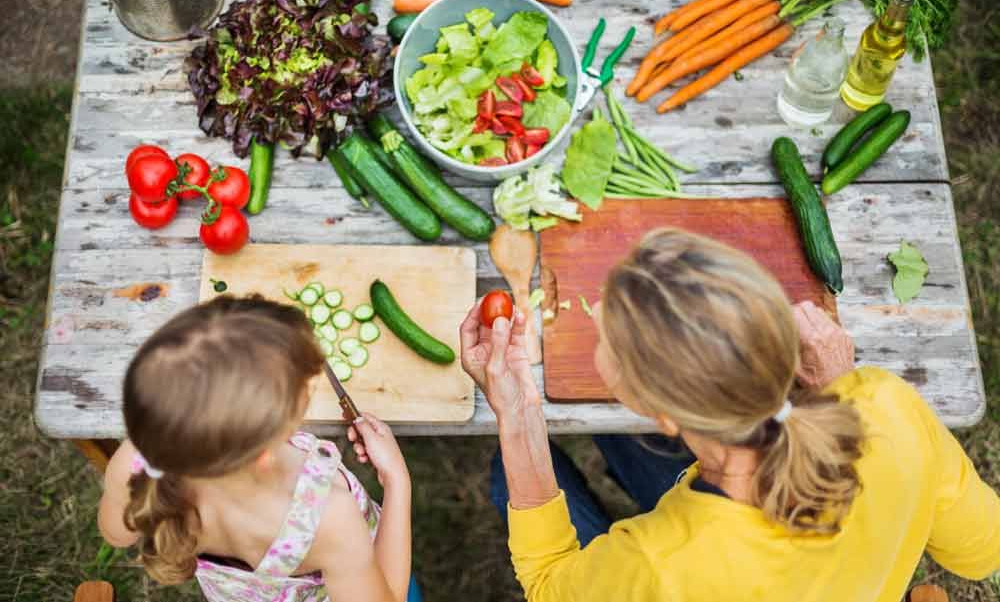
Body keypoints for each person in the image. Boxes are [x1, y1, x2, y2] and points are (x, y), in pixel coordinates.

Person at [460, 228, 1000, 602]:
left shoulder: (660, 568)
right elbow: (981, 554)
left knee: (510, 477)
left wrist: (515, 412)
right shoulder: (885, 406)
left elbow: (550, 583)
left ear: (661, 417)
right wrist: (842, 387)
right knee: (612, 444)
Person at [98, 295, 418, 602]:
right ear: (264, 451)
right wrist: (396, 481)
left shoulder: (135, 462)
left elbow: (116, 534)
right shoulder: (330, 517)